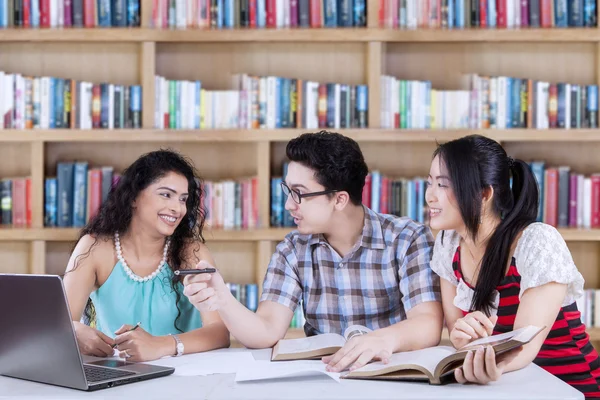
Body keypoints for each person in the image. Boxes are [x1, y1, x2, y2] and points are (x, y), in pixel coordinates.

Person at [183, 130, 443, 372]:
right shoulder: (292, 250)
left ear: (339, 199)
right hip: (323, 378)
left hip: (389, 374)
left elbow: (428, 324)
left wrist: (377, 341)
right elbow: (266, 332)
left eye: (299, 194)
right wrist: (222, 298)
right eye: (287, 191)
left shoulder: (407, 238)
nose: (287, 205)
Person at [426, 134, 600, 395]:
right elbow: (459, 336)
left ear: (483, 194)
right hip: (506, 388)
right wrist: (464, 341)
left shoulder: (536, 242)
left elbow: (523, 347)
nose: (430, 196)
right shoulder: (447, 245)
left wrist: (488, 361)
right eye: (429, 183)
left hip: (572, 387)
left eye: (442, 185)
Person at [63, 149, 230, 362]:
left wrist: (160, 345)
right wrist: (74, 331)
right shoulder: (95, 248)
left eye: (183, 199)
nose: (177, 208)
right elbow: (61, 323)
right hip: (117, 379)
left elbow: (219, 332)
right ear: (133, 197)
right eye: (166, 194)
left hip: (183, 378)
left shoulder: (192, 252)